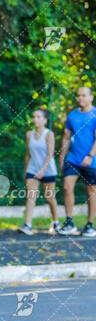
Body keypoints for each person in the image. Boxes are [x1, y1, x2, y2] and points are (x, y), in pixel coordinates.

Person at [58, 86, 96, 236]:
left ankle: (90, 224)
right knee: (67, 187)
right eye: (78, 96)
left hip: (91, 160)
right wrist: (62, 157)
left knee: (91, 191)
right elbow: (67, 138)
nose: (80, 98)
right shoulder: (72, 115)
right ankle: (69, 222)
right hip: (73, 158)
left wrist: (90, 156)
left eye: (83, 95)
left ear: (91, 97)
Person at [18, 108, 59, 235]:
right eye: (34, 116)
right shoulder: (29, 134)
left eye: (39, 117)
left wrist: (42, 170)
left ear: (45, 120)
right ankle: (28, 225)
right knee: (30, 197)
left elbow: (50, 155)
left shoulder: (49, 134)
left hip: (48, 170)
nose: (35, 119)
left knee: (49, 198)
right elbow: (27, 155)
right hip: (32, 169)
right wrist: (26, 172)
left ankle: (55, 222)